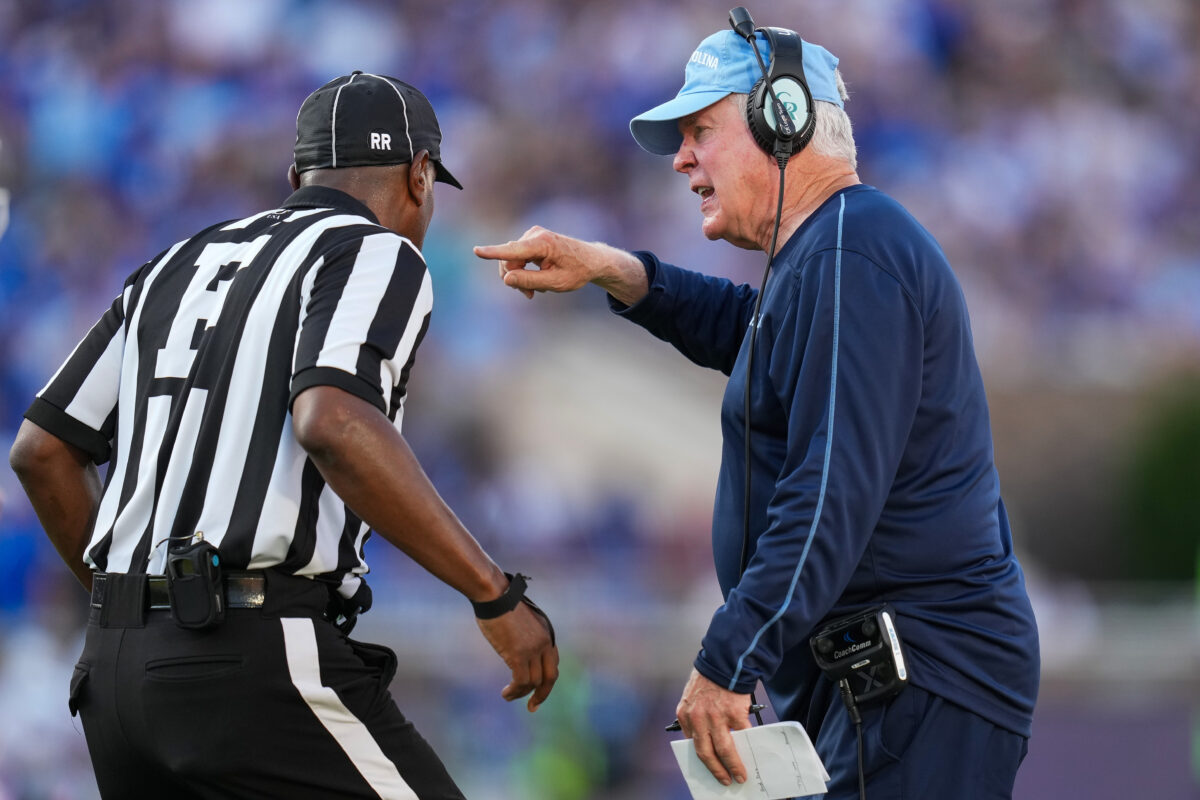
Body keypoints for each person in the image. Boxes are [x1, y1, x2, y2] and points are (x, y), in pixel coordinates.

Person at [474, 18, 1039, 800]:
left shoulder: (852, 253)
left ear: (785, 117)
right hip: (892, 683)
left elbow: (830, 489)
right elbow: (755, 331)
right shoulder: (835, 251)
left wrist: (728, 658)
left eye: (702, 129)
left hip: (917, 681)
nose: (682, 159)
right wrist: (616, 271)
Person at [9, 72, 558, 799]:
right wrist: (493, 593)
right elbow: (331, 420)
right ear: (420, 175)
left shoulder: (174, 262)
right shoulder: (375, 249)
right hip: (252, 659)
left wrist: (143, 609)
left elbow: (43, 450)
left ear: (297, 174)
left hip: (113, 672)